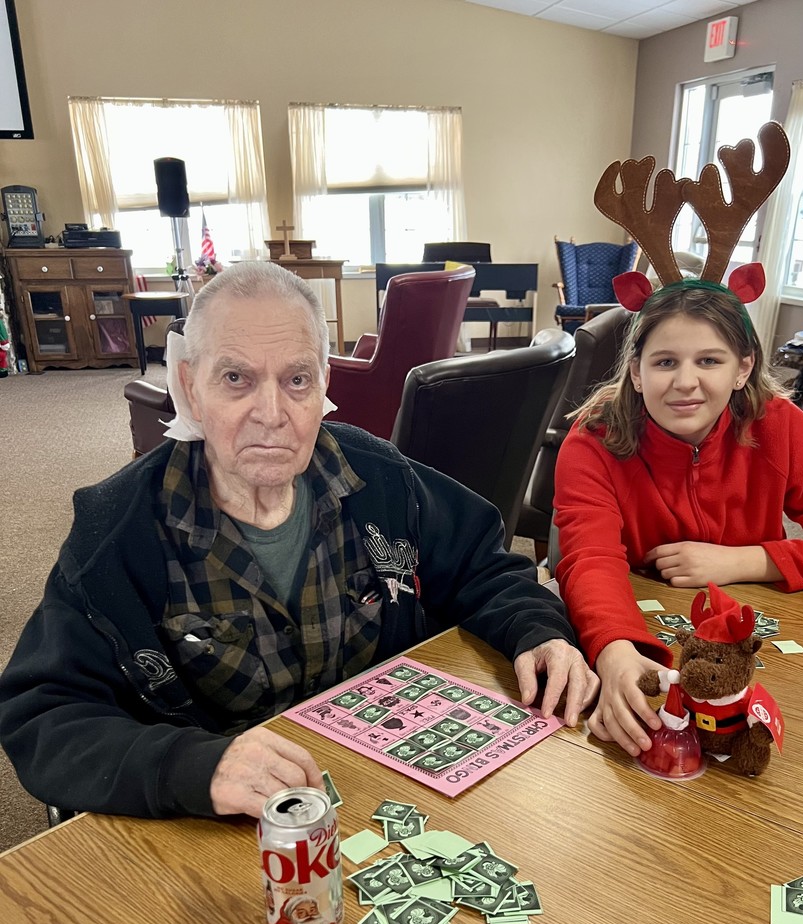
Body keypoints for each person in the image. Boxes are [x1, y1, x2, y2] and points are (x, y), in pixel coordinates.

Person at [0, 261, 597, 820]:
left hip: (382, 789)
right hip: (217, 825)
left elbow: (482, 565)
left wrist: (535, 628)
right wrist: (192, 767)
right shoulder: (116, 532)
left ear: (324, 385)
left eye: (296, 380)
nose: (271, 412)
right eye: (236, 378)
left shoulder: (381, 480)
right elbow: (43, 713)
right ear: (189, 385)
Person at [553, 280, 803, 758]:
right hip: (650, 632)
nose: (684, 382)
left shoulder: (778, 424)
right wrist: (615, 651)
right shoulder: (593, 440)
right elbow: (590, 559)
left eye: (709, 361)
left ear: (743, 369)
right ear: (635, 372)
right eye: (664, 362)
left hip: (756, 646)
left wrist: (743, 561)